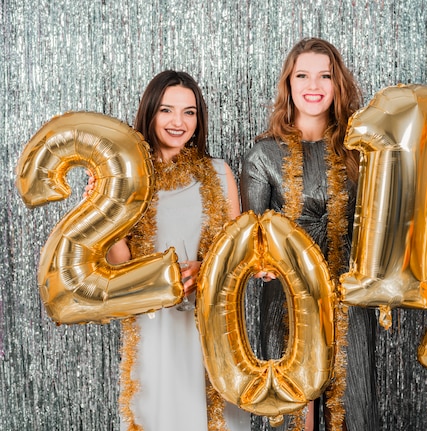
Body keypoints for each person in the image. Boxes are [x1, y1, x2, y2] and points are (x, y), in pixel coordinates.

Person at [86, 70, 248, 431]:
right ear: (150, 114)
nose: (179, 122)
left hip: (212, 326)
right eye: (167, 110)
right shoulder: (127, 181)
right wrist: (104, 211)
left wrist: (207, 270)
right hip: (154, 326)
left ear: (199, 118)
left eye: (189, 112)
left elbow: (240, 255)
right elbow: (120, 267)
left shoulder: (220, 173)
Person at [240, 38, 379, 430]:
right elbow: (253, 238)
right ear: (289, 84)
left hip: (349, 296)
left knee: (352, 402)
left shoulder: (361, 151)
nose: (313, 85)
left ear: (338, 86)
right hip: (286, 296)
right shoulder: (263, 156)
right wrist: (259, 265)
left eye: (325, 75)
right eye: (302, 75)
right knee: (291, 405)